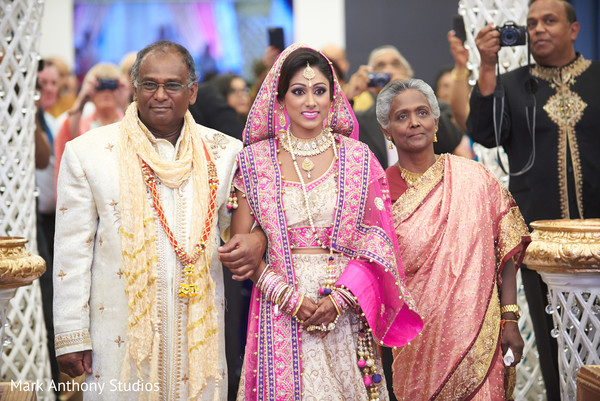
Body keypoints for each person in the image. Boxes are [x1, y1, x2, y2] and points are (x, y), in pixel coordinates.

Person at [52, 40, 263, 400]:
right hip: (117, 327)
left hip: (200, 326)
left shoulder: (226, 153)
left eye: (173, 85)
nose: (160, 94)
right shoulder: (88, 153)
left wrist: (257, 240)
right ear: (134, 89)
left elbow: (244, 227)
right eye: (149, 84)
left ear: (193, 91)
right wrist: (71, 334)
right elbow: (72, 251)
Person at [221, 44, 423, 401]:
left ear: (334, 97)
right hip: (280, 305)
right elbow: (243, 250)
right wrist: (287, 298)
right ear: (280, 98)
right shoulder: (254, 162)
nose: (310, 101)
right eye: (298, 91)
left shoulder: (359, 157)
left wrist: (342, 298)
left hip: (344, 306)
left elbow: (378, 240)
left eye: (319, 91)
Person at [468, 1, 600, 398]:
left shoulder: (597, 79)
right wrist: (487, 66)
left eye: (549, 20)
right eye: (531, 23)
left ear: (574, 29)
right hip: (540, 241)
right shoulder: (510, 83)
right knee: (553, 340)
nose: (539, 29)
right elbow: (484, 132)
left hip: (599, 232)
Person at [377, 79, 530, 400]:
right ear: (387, 130)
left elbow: (505, 250)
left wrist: (510, 318)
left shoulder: (475, 178)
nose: (414, 122)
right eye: (401, 116)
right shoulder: (376, 194)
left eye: (422, 112)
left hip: (481, 339)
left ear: (436, 121)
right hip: (416, 343)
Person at [353, 45, 469, 168]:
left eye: (396, 64)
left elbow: (451, 140)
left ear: (408, 74)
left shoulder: (437, 108)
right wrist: (349, 95)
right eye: (381, 66)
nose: (389, 70)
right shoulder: (361, 122)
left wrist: (407, 86)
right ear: (370, 80)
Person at [53, 62, 127, 185]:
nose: (106, 92)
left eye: (112, 86)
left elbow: (141, 138)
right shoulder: (81, 125)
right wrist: (82, 96)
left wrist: (125, 101)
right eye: (100, 87)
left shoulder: (128, 122)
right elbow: (66, 138)